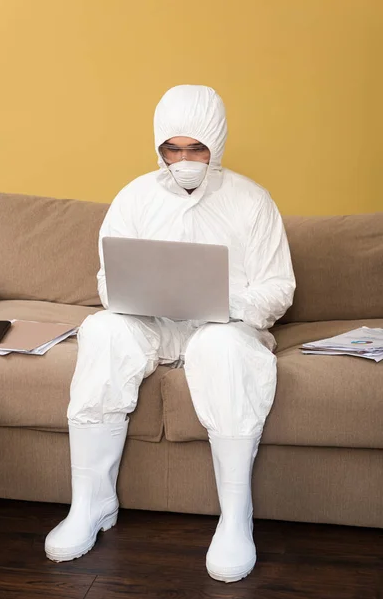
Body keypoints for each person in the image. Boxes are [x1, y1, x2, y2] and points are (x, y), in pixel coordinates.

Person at [45, 85, 296, 583]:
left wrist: (224, 304)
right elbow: (107, 279)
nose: (183, 159)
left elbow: (278, 287)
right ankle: (92, 504)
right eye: (172, 148)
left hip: (224, 328)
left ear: (217, 144)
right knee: (102, 331)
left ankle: (234, 518)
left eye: (196, 148)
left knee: (221, 348)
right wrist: (140, 295)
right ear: (158, 146)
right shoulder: (134, 197)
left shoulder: (252, 201)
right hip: (150, 324)